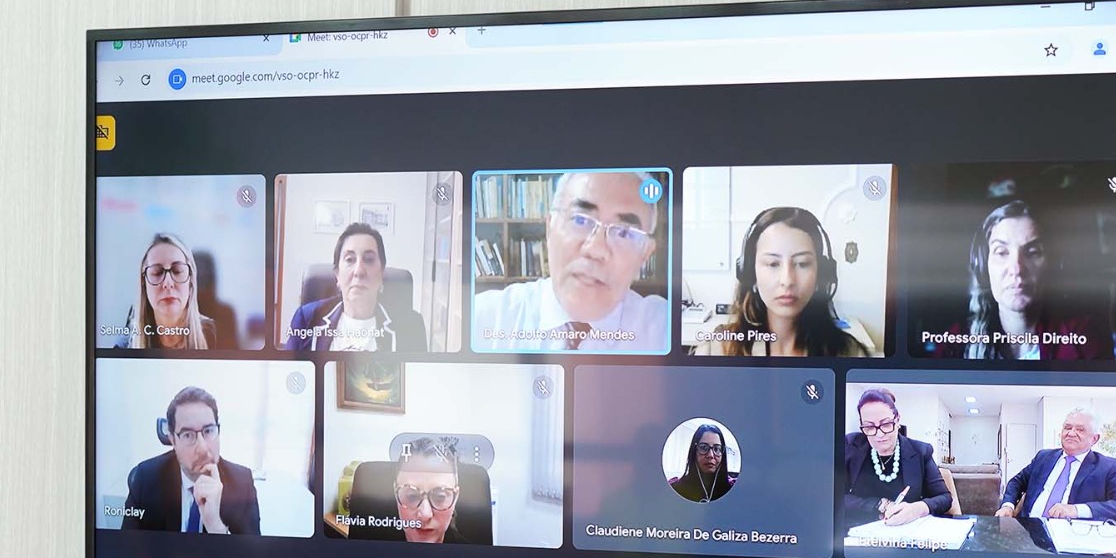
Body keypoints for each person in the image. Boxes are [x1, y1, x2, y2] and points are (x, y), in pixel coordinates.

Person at [474, 171, 668, 352]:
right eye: (580, 220)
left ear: (645, 254)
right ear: (549, 229)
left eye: (624, 233)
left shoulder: (665, 329)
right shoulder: (482, 319)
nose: (596, 249)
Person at [940, 199, 1111, 360]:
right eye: (1001, 252)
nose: (1017, 269)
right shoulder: (956, 342)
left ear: (1053, 265)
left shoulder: (1083, 337)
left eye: (1033, 252)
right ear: (984, 267)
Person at [691, 207, 868, 357]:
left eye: (802, 264)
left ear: (821, 274)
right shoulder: (715, 350)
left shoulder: (851, 354)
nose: (787, 280)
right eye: (773, 264)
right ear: (751, 273)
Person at [121, 386, 260, 534]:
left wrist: (216, 527)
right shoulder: (145, 478)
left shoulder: (242, 484)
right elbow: (126, 545)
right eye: (188, 435)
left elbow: (251, 549)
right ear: (173, 440)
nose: (202, 448)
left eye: (208, 431)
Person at [284, 223, 427, 351]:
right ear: (337, 275)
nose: (359, 271)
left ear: (381, 274)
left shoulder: (411, 326)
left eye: (369, 260)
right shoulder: (307, 318)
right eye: (350, 259)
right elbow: (289, 371)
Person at [842, 388, 952, 528]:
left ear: (897, 420)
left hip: (906, 532)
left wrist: (917, 509)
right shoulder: (850, 445)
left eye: (886, 424)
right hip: (857, 530)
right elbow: (832, 495)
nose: (879, 434)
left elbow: (945, 498)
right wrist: (879, 504)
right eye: (869, 427)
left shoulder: (920, 451)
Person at [997, 408, 1116, 526]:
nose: (1071, 433)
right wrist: (1008, 506)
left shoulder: (1108, 467)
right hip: (1028, 530)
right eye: (1067, 427)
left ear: (1094, 439)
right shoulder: (1044, 457)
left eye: (1080, 430)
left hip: (1071, 536)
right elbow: (1017, 482)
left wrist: (1076, 510)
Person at [118, 233, 217, 349]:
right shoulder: (125, 346)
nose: (168, 283)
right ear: (144, 283)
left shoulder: (217, 337)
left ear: (191, 281)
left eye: (177, 271)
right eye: (157, 273)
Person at [382, 437, 467, 543]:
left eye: (440, 497)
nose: (425, 515)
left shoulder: (473, 552)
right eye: (412, 496)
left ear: (455, 498)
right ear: (396, 494)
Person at [668, 423, 737, 503]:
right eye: (704, 448)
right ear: (694, 451)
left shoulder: (735, 488)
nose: (711, 455)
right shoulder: (675, 488)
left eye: (717, 449)